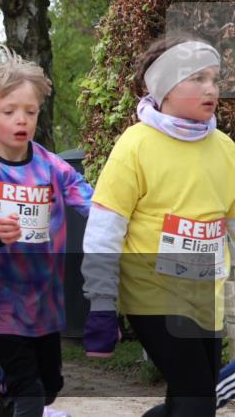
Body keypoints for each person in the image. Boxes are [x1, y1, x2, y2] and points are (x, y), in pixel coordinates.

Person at [82, 36, 234, 417]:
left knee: (192, 399)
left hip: (206, 295)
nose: (211, 88)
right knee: (196, 397)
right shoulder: (136, 144)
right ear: (164, 87)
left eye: (214, 79)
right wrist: (101, 303)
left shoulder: (225, 149)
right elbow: (104, 228)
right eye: (197, 78)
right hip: (153, 293)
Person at [0, 47, 92, 417]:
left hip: (43, 297)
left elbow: (88, 201)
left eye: (30, 112)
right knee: (29, 393)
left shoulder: (52, 166)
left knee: (50, 387)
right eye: (10, 111)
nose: (22, 120)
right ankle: (7, 381)